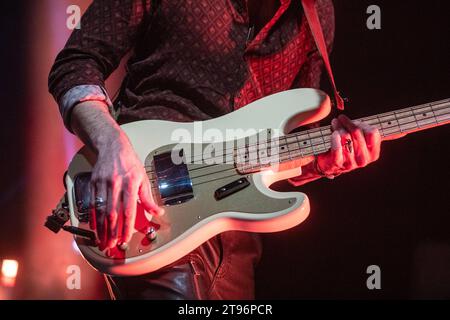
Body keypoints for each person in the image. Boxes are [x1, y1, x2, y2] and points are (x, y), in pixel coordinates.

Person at [48, 0, 381, 299]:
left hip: (237, 231)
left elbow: (290, 144)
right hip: (147, 203)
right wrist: (110, 145)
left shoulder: (317, 11)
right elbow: (76, 64)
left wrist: (326, 161)